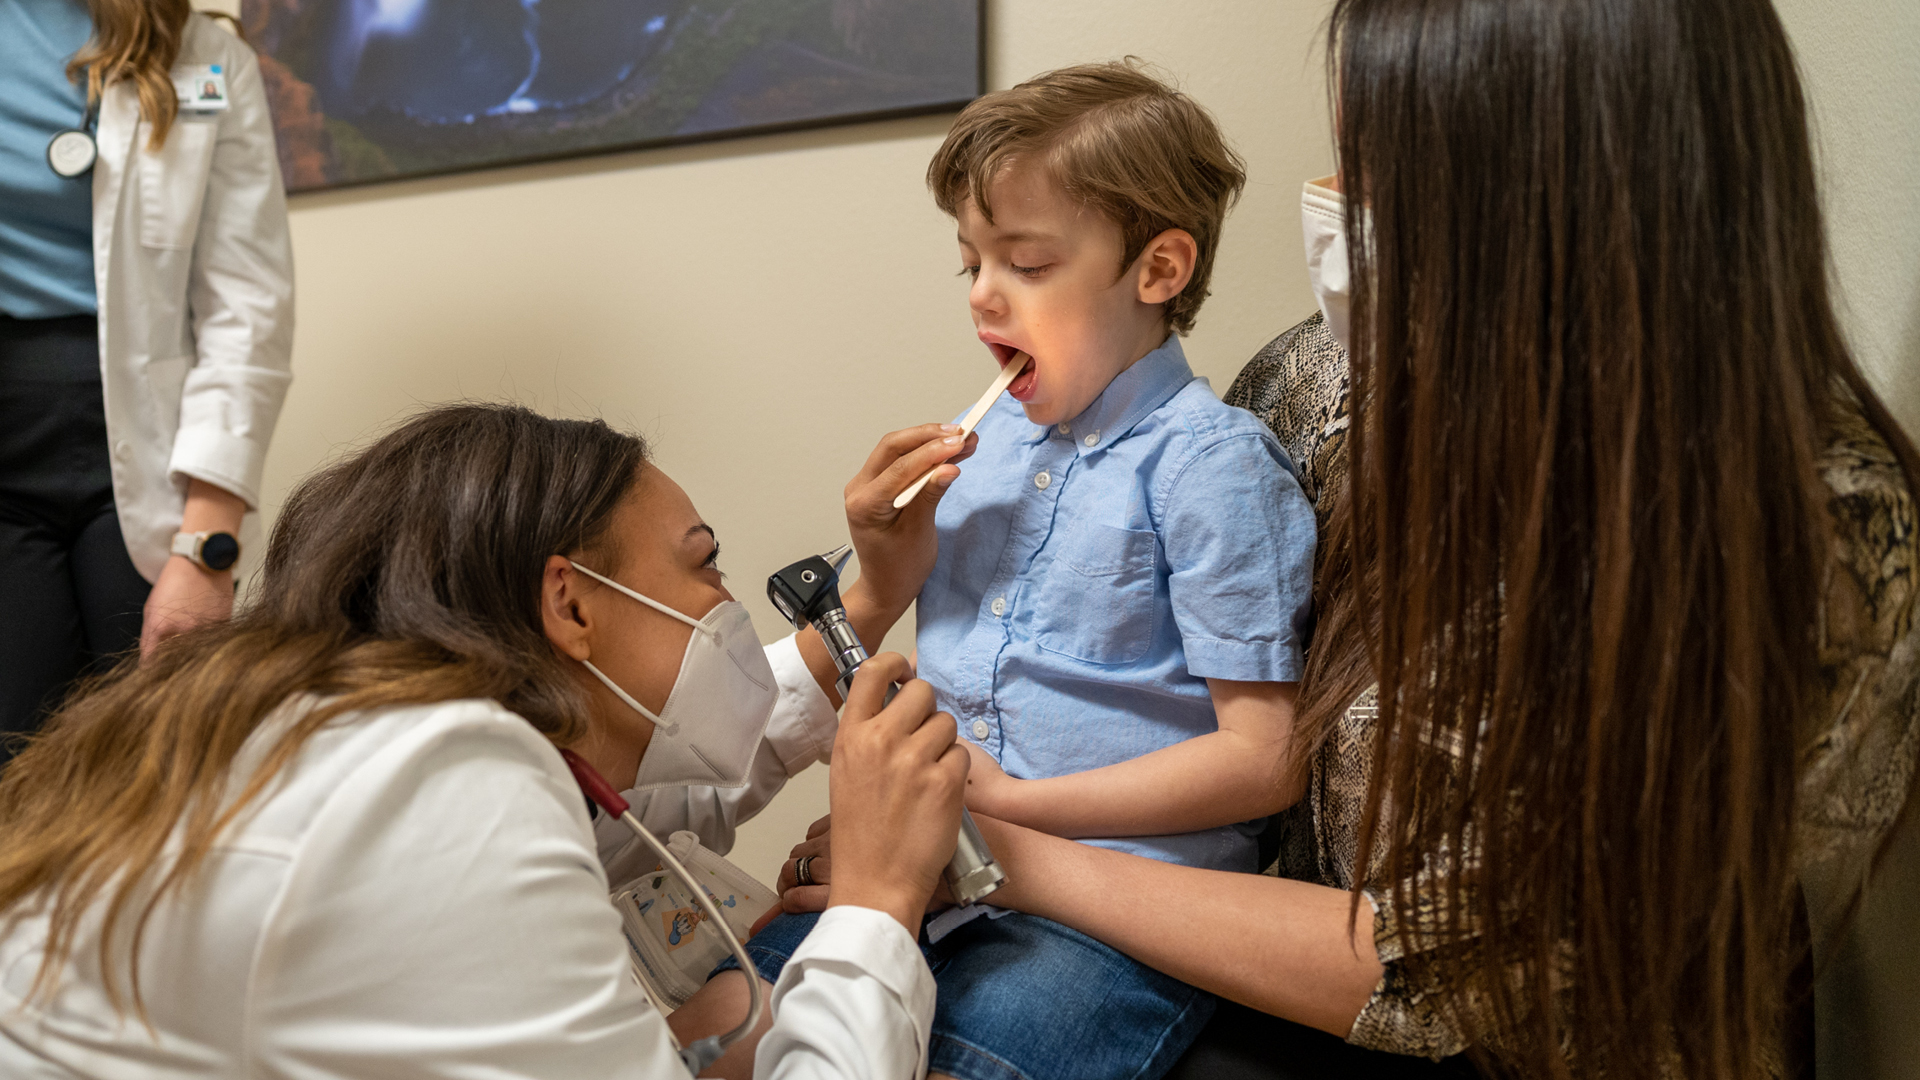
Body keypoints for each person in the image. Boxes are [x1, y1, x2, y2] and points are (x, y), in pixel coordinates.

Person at [769, 1, 1920, 1077]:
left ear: (1566, 195)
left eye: (1385, 173)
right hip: (1223, 970)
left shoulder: (1815, 544)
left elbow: (1441, 974)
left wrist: (986, 849)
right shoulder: (1321, 379)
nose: (1335, 202)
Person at [0, 403, 984, 1079]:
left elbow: (662, 785)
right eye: (704, 564)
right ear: (569, 603)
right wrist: (876, 903)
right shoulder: (448, 792)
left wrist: (872, 596)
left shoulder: (355, 741)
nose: (723, 603)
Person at [686, 62, 1319, 1080]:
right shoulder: (981, 463)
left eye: (1025, 263)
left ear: (1158, 270)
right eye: (970, 262)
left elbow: (1265, 760)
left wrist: (1005, 809)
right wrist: (883, 572)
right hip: (934, 880)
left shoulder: (1215, 470)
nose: (984, 294)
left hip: (1111, 918)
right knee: (739, 1033)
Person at [0, 0, 293, 761]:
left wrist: (207, 549)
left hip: (150, 463)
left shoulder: (202, 53)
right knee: (15, 777)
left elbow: (246, 307)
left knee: (161, 768)